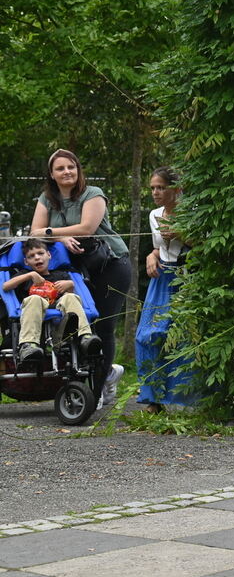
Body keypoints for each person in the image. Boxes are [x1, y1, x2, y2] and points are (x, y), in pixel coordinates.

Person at [31, 149, 131, 408]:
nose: (67, 172)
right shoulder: (46, 198)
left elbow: (86, 228)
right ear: (52, 175)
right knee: (76, 326)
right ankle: (106, 373)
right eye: (61, 168)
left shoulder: (93, 194)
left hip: (110, 265)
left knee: (103, 327)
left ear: (78, 170)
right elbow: (34, 231)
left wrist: (52, 232)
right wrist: (61, 237)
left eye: (71, 167)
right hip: (74, 271)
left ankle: (96, 392)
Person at [136, 167, 193, 412]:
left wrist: (184, 234)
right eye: (153, 188)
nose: (156, 192)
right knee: (148, 334)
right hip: (162, 278)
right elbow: (159, 246)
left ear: (176, 188)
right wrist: (152, 254)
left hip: (186, 277)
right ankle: (153, 397)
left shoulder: (192, 213)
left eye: (161, 187)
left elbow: (207, 246)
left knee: (181, 336)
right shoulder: (154, 215)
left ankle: (182, 400)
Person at [3, 238, 100, 366]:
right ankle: (28, 345)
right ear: (26, 262)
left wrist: (70, 284)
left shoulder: (61, 275)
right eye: (31, 256)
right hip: (34, 315)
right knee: (35, 298)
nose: (37, 258)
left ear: (49, 255)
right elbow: (5, 286)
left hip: (61, 323)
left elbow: (72, 297)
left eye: (40, 253)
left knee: (70, 298)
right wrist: (29, 275)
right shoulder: (24, 275)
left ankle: (85, 337)